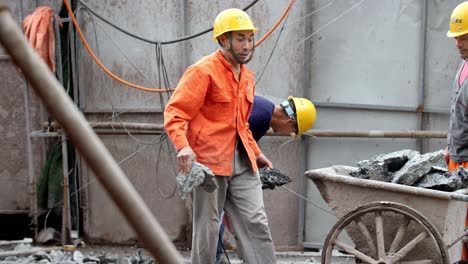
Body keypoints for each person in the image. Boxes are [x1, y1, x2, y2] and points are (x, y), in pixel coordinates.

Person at [164, 8, 276, 264]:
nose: (247, 46)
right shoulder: (203, 71)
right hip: (209, 163)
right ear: (223, 40)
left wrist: (256, 154)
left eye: (250, 38)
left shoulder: (246, 77)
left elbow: (242, 125)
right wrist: (183, 146)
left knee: (256, 221)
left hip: (242, 163)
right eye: (240, 39)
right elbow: (176, 112)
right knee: (208, 228)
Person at [215, 95, 316, 263]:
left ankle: (217, 258)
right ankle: (215, 258)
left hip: (221, 162)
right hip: (217, 164)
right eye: (292, 132)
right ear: (290, 121)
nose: (288, 134)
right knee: (216, 216)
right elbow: (233, 145)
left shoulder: (263, 108)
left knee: (219, 216)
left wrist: (255, 159)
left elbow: (242, 146)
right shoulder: (261, 117)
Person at [446, 2, 468, 262]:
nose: (457, 43)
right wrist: (449, 146)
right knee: (458, 227)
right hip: (457, 159)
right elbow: (455, 112)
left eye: (463, 37)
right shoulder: (463, 66)